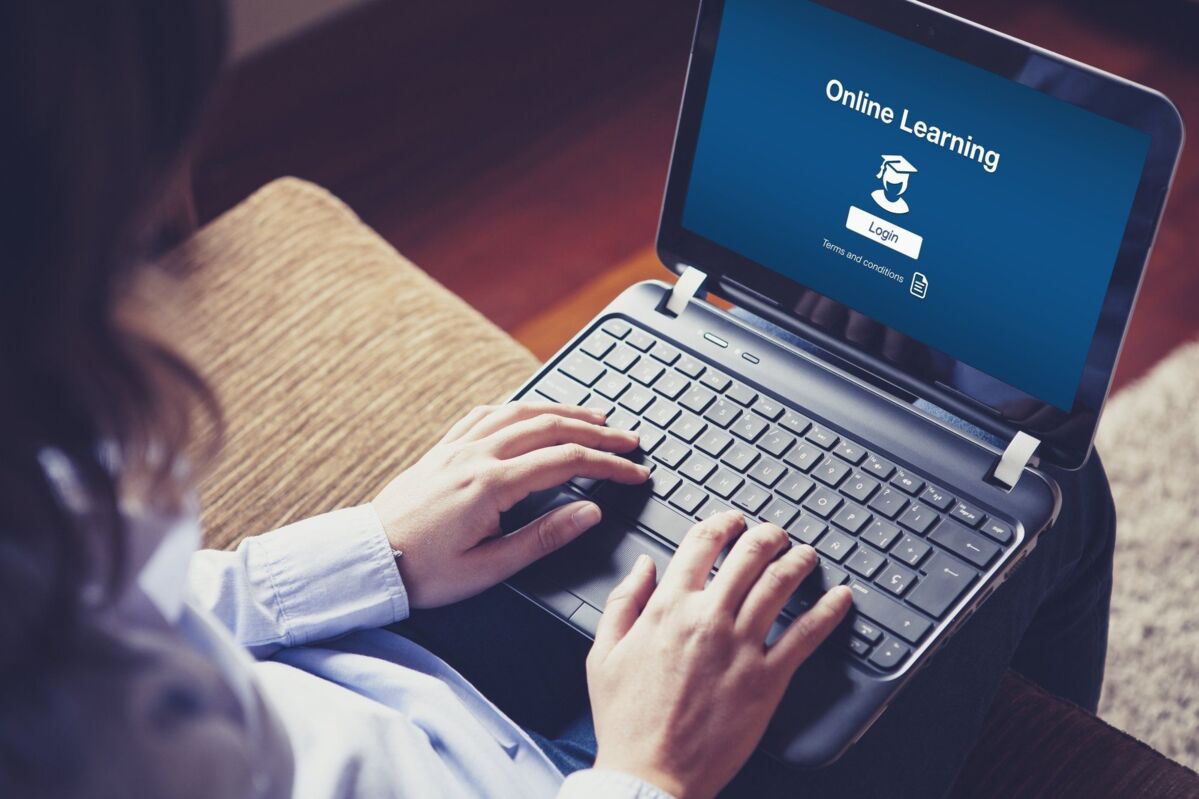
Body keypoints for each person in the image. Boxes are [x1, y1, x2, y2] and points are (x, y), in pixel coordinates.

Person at [0, 2, 1116, 798]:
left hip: (401, 676)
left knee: (874, 383)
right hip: (579, 767)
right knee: (1054, 484)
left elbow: (140, 608)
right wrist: (646, 769)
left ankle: (891, 290)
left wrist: (367, 550)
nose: (174, 229)